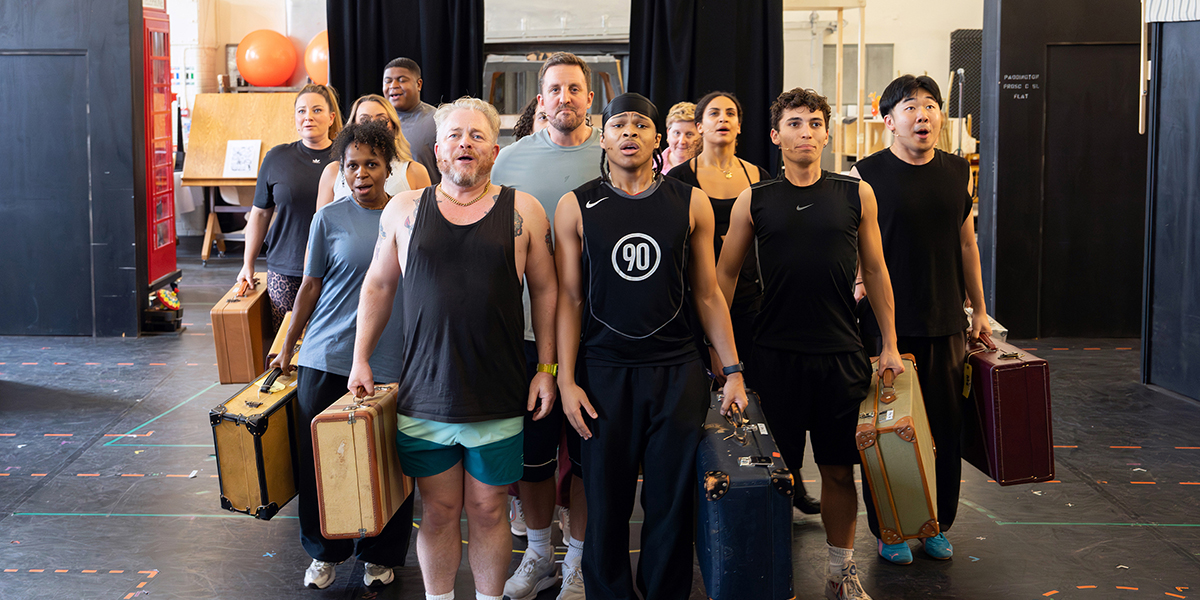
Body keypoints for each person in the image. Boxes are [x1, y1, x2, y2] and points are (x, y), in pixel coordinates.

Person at [348, 97, 558, 600]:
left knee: (488, 511)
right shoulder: (404, 209)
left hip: (499, 391)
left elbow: (548, 291)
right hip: (425, 393)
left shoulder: (524, 210)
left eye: (477, 135)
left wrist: (546, 366)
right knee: (438, 511)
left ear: (494, 149)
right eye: (456, 135)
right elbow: (378, 285)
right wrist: (359, 357)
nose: (466, 142)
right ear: (438, 150)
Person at [555, 92, 748, 600]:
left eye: (641, 125)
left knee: (670, 502)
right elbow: (570, 299)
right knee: (605, 501)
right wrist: (566, 379)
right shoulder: (575, 205)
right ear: (604, 137)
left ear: (658, 140)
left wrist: (732, 369)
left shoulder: (691, 202)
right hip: (602, 375)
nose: (630, 132)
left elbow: (707, 293)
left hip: (675, 371)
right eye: (619, 124)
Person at [716, 88, 903, 600]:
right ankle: (776, 576)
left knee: (840, 472)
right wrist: (723, 355)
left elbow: (877, 270)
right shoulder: (753, 199)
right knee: (778, 477)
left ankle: (840, 573)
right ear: (776, 136)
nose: (805, 132)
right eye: (794, 123)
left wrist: (888, 344)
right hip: (773, 358)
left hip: (840, 357)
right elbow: (724, 278)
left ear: (826, 132)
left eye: (814, 123)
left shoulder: (855, 194)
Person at [266, 120, 414, 591]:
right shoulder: (327, 219)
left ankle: (380, 555)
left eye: (372, 163)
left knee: (388, 462)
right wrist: (287, 346)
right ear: (342, 170)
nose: (362, 173)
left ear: (389, 167)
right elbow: (308, 287)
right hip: (326, 355)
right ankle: (324, 551)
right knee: (319, 462)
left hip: (391, 359)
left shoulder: (409, 215)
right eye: (353, 165)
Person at [851, 74, 992, 565]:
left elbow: (967, 243)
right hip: (884, 325)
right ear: (889, 120)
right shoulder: (866, 172)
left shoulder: (957, 170)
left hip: (946, 318)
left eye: (930, 106)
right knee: (884, 431)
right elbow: (855, 247)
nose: (923, 115)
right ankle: (890, 528)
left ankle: (935, 523)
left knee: (944, 431)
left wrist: (979, 310)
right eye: (910, 107)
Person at [665, 91, 821, 514]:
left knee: (766, 399)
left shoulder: (759, 175)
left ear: (739, 125)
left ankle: (784, 479)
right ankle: (707, 483)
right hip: (695, 303)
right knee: (701, 401)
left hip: (753, 302)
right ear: (699, 126)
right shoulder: (679, 178)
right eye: (713, 113)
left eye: (731, 113)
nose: (722, 119)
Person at [491, 51, 602, 600]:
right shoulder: (507, 162)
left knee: (583, 458)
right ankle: (538, 554)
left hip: (595, 336)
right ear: (541, 98)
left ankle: (577, 562)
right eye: (554, 89)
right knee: (533, 460)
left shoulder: (612, 159)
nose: (564, 98)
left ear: (589, 97)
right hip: (526, 338)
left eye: (574, 89)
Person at [238, 84, 342, 331]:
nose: (308, 116)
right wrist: (247, 263)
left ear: (331, 117)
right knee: (285, 346)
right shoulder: (277, 157)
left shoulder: (347, 158)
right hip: (286, 268)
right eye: (301, 111)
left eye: (317, 110)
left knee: (329, 344)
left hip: (336, 267)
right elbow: (261, 213)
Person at [315, 94, 431, 210]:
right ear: (353, 126)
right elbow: (323, 222)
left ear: (394, 126)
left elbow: (426, 221)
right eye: (364, 120)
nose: (373, 125)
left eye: (381, 120)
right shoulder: (332, 172)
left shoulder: (415, 172)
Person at [382, 57, 439, 184]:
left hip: (425, 198)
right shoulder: (377, 120)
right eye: (388, 81)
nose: (393, 86)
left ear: (418, 84)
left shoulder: (438, 120)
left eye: (401, 80)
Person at [660, 102, 700, 172]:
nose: (682, 141)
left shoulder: (710, 168)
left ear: (701, 136)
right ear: (668, 134)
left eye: (689, 134)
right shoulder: (650, 165)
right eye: (677, 133)